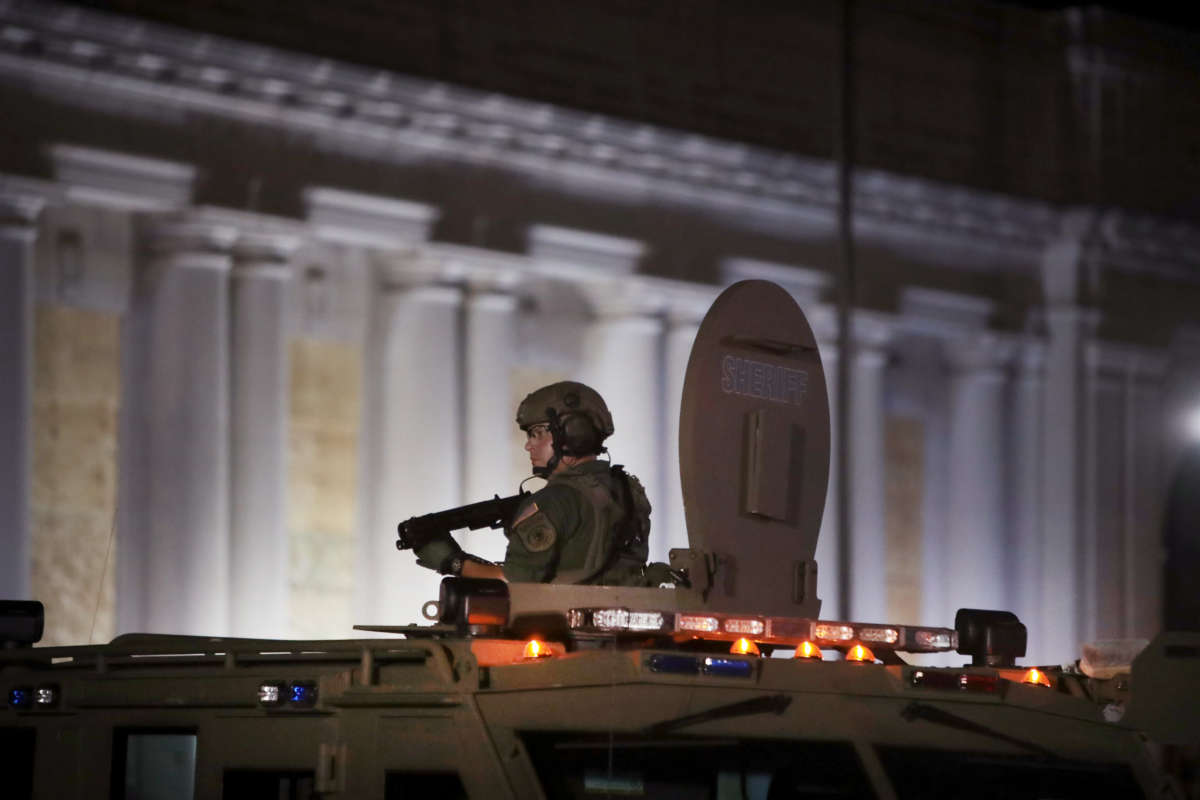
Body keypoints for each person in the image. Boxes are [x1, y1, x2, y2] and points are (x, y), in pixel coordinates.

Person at [413, 381, 652, 585]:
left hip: (558, 625)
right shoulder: (629, 489)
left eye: (537, 434)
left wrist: (452, 562)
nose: (529, 445)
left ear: (572, 432)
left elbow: (516, 584)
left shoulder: (553, 501)